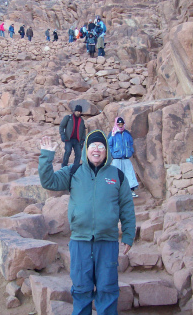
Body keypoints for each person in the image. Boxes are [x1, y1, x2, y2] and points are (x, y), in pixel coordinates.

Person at [38, 131, 136, 315]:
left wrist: (129, 235)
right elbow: (48, 182)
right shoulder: (74, 171)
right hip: (80, 241)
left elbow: (127, 207)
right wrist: (46, 156)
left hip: (107, 242)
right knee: (82, 289)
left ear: (106, 151)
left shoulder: (118, 175)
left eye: (101, 147)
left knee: (107, 289)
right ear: (86, 150)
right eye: (93, 146)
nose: (97, 150)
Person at [108, 117, 139, 197]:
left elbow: (131, 143)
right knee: (116, 174)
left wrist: (131, 151)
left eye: (122, 124)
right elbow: (109, 145)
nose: (120, 126)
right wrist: (112, 153)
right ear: (116, 124)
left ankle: (131, 191)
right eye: (119, 124)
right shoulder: (113, 133)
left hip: (126, 157)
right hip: (116, 158)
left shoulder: (127, 133)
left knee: (129, 173)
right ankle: (115, 192)